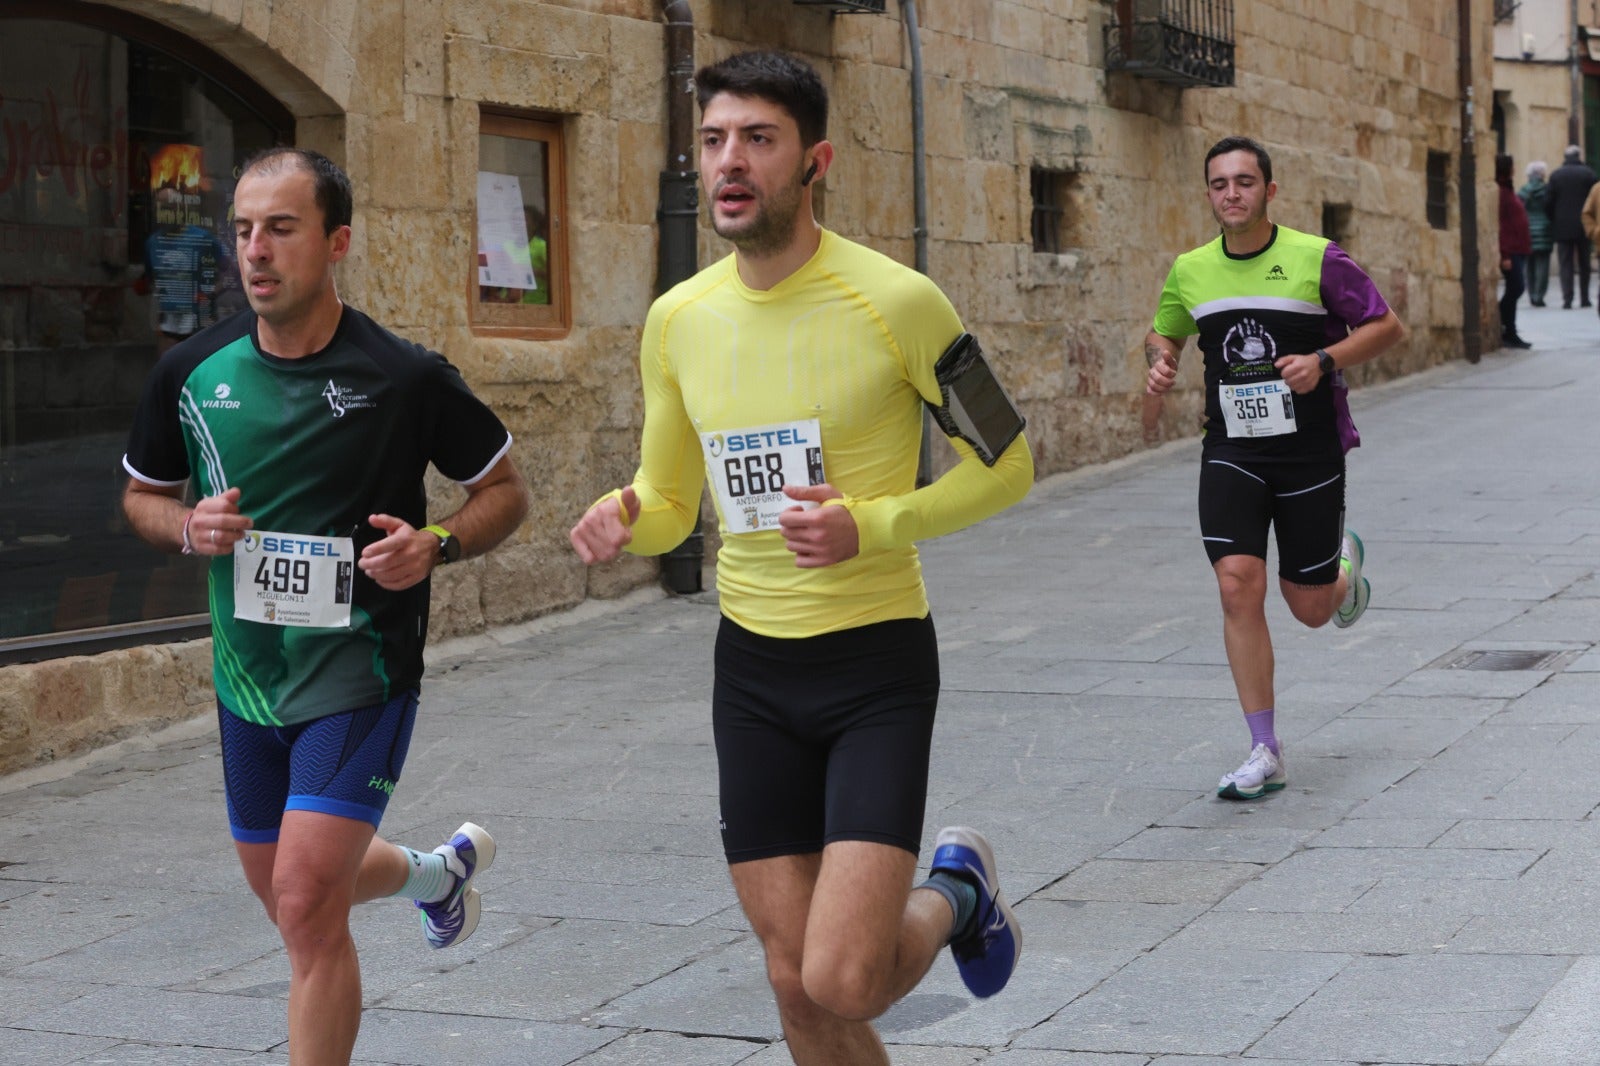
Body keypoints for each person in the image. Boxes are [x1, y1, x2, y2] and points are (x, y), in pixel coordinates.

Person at [569, 50, 1031, 1066]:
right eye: (713, 140)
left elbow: (1009, 465)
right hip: (753, 674)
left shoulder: (899, 302)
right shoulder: (677, 320)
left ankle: (955, 894)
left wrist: (872, 524)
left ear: (815, 161)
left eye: (758, 139)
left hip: (874, 666)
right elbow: (671, 504)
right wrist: (624, 516)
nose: (729, 161)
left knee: (845, 978)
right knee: (794, 980)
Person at [121, 147, 531, 1065]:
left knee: (307, 904)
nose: (255, 251)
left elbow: (505, 491)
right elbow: (143, 496)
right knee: (286, 892)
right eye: (242, 230)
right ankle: (435, 876)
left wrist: (438, 543)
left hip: (361, 669)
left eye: (281, 228)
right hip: (247, 680)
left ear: (337, 242)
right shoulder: (191, 373)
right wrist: (187, 526)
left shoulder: (404, 377)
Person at [1144, 136, 1405, 801]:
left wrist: (1323, 361)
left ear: (1269, 190)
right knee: (1237, 584)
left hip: (1309, 452)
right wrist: (1161, 358)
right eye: (1219, 184)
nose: (1231, 194)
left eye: (1245, 181)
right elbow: (1165, 328)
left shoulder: (1317, 258)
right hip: (1232, 450)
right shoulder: (1191, 269)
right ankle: (1265, 748)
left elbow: (1386, 326)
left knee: (1310, 609)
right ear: (1209, 193)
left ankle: (1343, 573)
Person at [1545, 144, 1596, 309]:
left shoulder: (1556, 175)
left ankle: (1567, 298)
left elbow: (1548, 202)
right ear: (1579, 156)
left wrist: (1554, 219)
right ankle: (1584, 297)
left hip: (1562, 226)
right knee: (1584, 263)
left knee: (1565, 263)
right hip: (1583, 226)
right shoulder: (1588, 174)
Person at [1497, 154, 1533, 349]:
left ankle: (1510, 330)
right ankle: (1505, 326)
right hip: (1510, 250)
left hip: (1518, 247)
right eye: (1512, 166)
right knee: (1516, 287)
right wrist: (1505, 254)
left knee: (1516, 288)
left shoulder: (1508, 190)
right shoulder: (1502, 193)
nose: (1515, 169)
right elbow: (1501, 225)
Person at [1519, 160, 1553, 307]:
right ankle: (1539, 295)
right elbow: (1551, 209)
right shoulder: (1547, 190)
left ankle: (1532, 294)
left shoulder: (1523, 191)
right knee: (1542, 265)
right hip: (1544, 229)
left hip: (1527, 229)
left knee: (1529, 265)